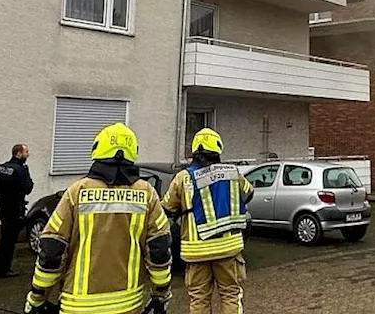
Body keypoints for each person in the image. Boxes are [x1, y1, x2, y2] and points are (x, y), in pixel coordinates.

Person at [24, 122, 172, 314]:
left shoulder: (77, 191)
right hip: (128, 303)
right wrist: (160, 295)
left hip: (78, 304)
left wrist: (37, 296)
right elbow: (158, 248)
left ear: (98, 148)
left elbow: (52, 248)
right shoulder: (146, 193)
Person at [162, 128, 252, 314]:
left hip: (196, 250)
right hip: (229, 248)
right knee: (230, 295)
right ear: (218, 148)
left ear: (195, 150)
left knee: (199, 298)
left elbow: (167, 208)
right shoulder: (233, 172)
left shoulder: (183, 177)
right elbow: (249, 193)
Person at [0, 143, 34, 279]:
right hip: (15, 208)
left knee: (5, 237)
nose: (28, 154)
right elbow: (27, 188)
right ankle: (3, 269)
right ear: (19, 154)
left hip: (2, 207)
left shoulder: (2, 167)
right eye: (26, 152)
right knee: (9, 240)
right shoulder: (20, 169)